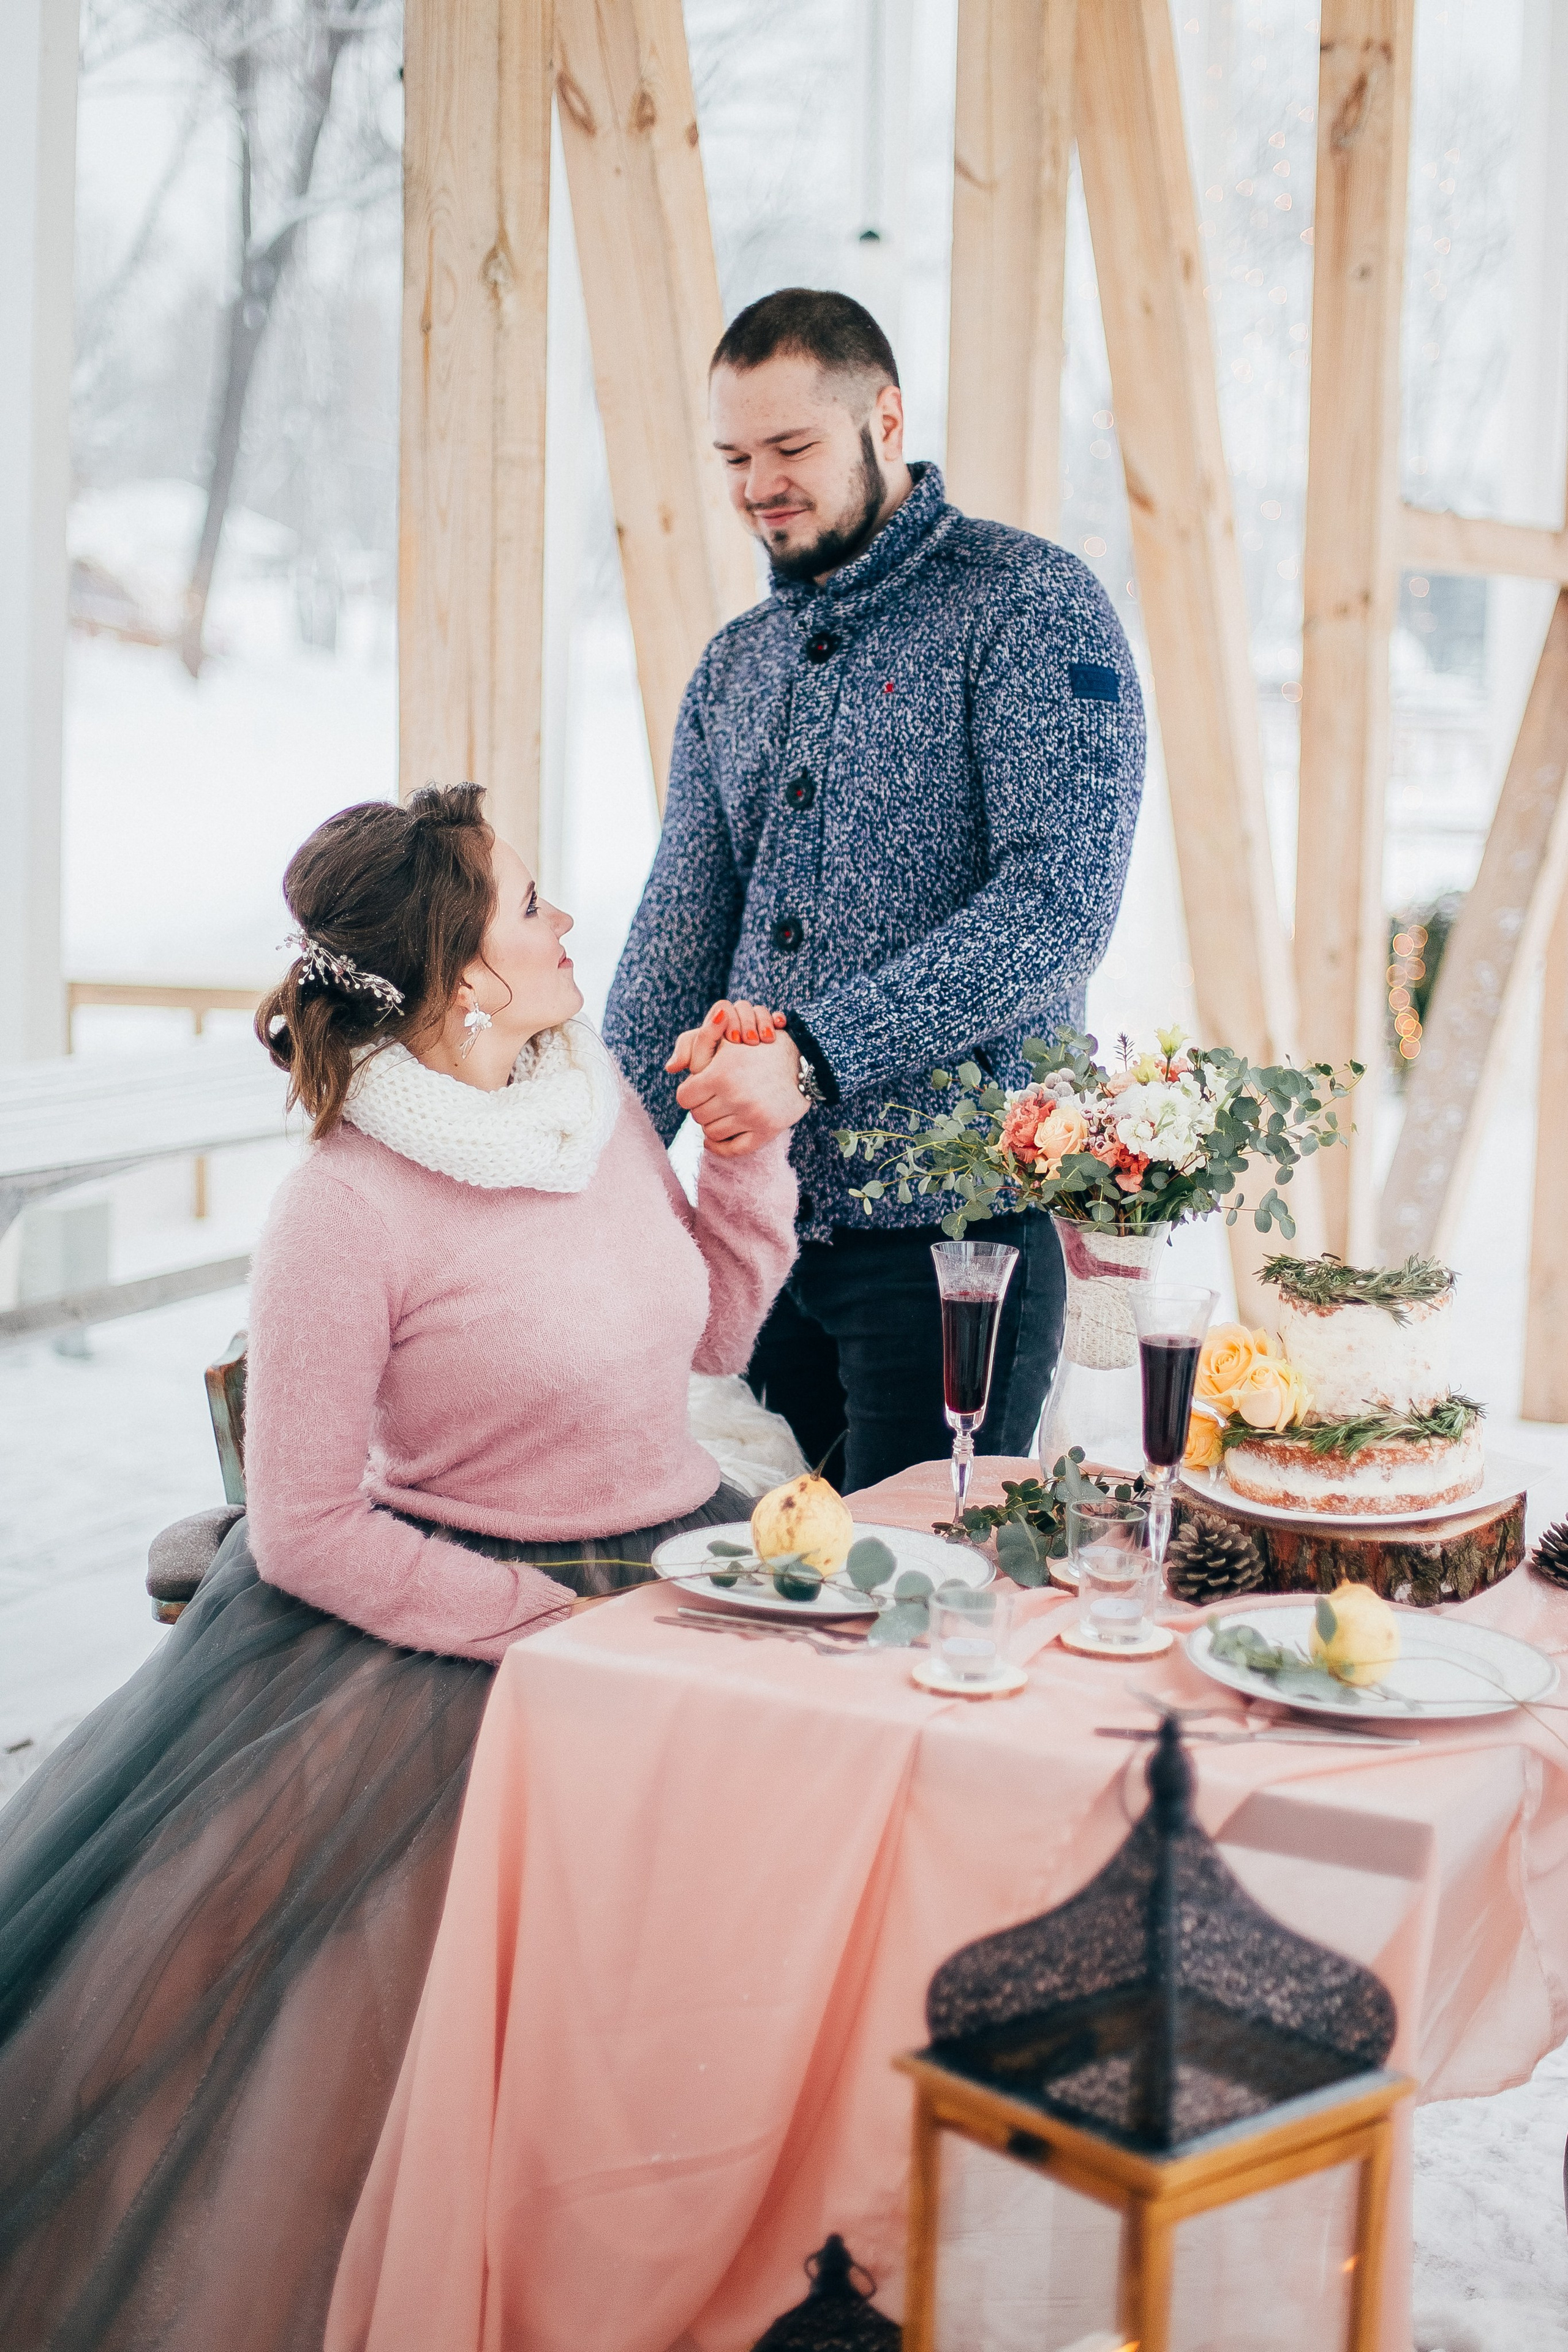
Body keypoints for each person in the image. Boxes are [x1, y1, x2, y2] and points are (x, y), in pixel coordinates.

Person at [0, 786, 797, 2351]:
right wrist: (545, 1629)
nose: (567, 926)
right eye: (528, 908)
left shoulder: (599, 1104)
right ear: (461, 974)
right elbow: (304, 1531)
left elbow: (708, 1331)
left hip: (683, 1580)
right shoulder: (340, 1210)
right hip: (453, 1639)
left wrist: (748, 1156)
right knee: (397, 2072)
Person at [605, 286, 1147, 1496]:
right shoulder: (734, 665)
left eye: (790, 448)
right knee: (766, 1593)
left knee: (920, 1595)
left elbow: (1054, 910)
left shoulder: (1027, 605)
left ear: (883, 419)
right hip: (760, 1247)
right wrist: (591, 1165)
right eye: (734, 457)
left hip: (961, 1243)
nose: (758, 486)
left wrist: (811, 1054)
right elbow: (678, 937)